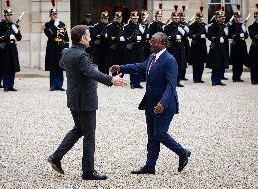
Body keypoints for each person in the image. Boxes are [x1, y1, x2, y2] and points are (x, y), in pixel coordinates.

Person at [48, 25, 128, 180]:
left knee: (79, 129)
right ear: (83, 38)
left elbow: (62, 64)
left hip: (73, 98)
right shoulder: (82, 56)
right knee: (89, 134)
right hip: (85, 100)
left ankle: (56, 156)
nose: (90, 38)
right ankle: (88, 171)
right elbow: (91, 72)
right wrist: (111, 79)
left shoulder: (67, 52)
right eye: (88, 35)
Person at [110, 32, 191, 175]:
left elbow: (171, 86)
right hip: (150, 104)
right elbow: (139, 66)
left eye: (154, 42)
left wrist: (163, 103)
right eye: (151, 41)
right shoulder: (152, 57)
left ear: (163, 44)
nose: (151, 44)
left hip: (164, 105)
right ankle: (150, 166)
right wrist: (121, 67)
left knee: (160, 133)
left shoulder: (169, 60)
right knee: (152, 135)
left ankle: (183, 152)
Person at [0, 1, 22, 92]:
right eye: (8, 15)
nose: (9, 16)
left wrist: (16, 32)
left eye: (10, 15)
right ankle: (6, 85)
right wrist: (8, 37)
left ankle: (11, 85)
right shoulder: (0, 25)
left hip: (12, 47)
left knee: (12, 67)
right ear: (5, 16)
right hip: (5, 48)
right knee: (6, 67)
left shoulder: (14, 25)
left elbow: (19, 38)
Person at [43, 0, 69, 91]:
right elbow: (48, 34)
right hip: (52, 47)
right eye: (53, 14)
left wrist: (66, 47)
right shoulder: (47, 24)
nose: (54, 16)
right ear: (50, 15)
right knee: (53, 66)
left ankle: (60, 85)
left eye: (55, 14)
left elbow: (66, 37)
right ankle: (53, 85)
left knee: (60, 66)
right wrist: (54, 26)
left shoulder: (62, 24)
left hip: (61, 47)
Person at [164, 5, 187, 87]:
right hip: (172, 48)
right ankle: (170, 81)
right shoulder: (168, 27)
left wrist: (184, 32)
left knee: (180, 65)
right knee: (172, 65)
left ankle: (177, 81)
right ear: (172, 18)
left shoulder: (180, 26)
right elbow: (167, 37)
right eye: (175, 18)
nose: (176, 19)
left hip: (180, 47)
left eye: (177, 18)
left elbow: (185, 37)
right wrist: (174, 37)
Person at [122, 5, 145, 89]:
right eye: (134, 18)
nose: (135, 20)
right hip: (132, 49)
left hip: (139, 49)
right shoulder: (127, 27)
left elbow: (145, 36)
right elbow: (126, 38)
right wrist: (137, 38)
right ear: (131, 18)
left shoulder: (139, 26)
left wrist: (142, 33)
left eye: (136, 18)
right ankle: (132, 83)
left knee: (139, 65)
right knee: (133, 66)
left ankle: (137, 83)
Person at [206, 5, 229, 86]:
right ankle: (214, 80)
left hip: (222, 47)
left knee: (221, 64)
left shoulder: (224, 26)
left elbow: (227, 37)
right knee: (216, 65)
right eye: (218, 17)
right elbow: (209, 37)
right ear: (215, 18)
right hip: (215, 47)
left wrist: (226, 33)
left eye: (221, 17)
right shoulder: (211, 27)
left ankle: (219, 80)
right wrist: (218, 39)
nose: (220, 18)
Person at [228, 4, 248, 82]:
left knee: (241, 62)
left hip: (242, 45)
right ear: (234, 17)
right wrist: (240, 35)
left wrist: (244, 31)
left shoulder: (242, 25)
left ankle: (239, 76)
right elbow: (231, 36)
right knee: (236, 62)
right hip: (235, 45)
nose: (238, 19)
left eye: (239, 17)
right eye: (237, 17)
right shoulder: (231, 25)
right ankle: (235, 77)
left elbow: (246, 36)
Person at [188, 6, 207, 83]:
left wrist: (206, 34)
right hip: (195, 46)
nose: (200, 20)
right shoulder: (192, 26)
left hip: (202, 46)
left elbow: (208, 34)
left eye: (201, 19)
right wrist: (198, 36)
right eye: (199, 19)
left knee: (202, 63)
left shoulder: (204, 25)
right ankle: (195, 78)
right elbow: (190, 35)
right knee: (195, 63)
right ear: (196, 18)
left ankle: (200, 77)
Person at [105, 7, 125, 75]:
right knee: (114, 61)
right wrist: (117, 38)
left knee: (121, 61)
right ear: (115, 18)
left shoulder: (123, 25)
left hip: (121, 46)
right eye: (118, 18)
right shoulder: (111, 26)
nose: (119, 20)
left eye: (120, 18)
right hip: (114, 47)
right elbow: (110, 37)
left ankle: (120, 73)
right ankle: (114, 75)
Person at [91, 6, 110, 75]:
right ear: (101, 19)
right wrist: (103, 36)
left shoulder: (110, 26)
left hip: (108, 47)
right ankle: (101, 75)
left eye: (107, 19)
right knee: (101, 63)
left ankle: (106, 75)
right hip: (100, 47)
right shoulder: (97, 26)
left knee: (107, 63)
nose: (106, 20)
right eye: (104, 19)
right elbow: (94, 36)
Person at [248, 4, 258, 85]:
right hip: (255, 47)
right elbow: (254, 37)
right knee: (254, 64)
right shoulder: (251, 27)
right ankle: (254, 79)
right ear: (255, 17)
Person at [179, 6, 190, 81]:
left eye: (183, 18)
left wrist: (188, 30)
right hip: (180, 42)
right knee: (181, 58)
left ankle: (183, 75)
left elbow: (190, 34)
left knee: (185, 59)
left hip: (186, 42)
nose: (182, 19)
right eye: (181, 18)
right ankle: (180, 75)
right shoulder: (178, 25)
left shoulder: (186, 24)